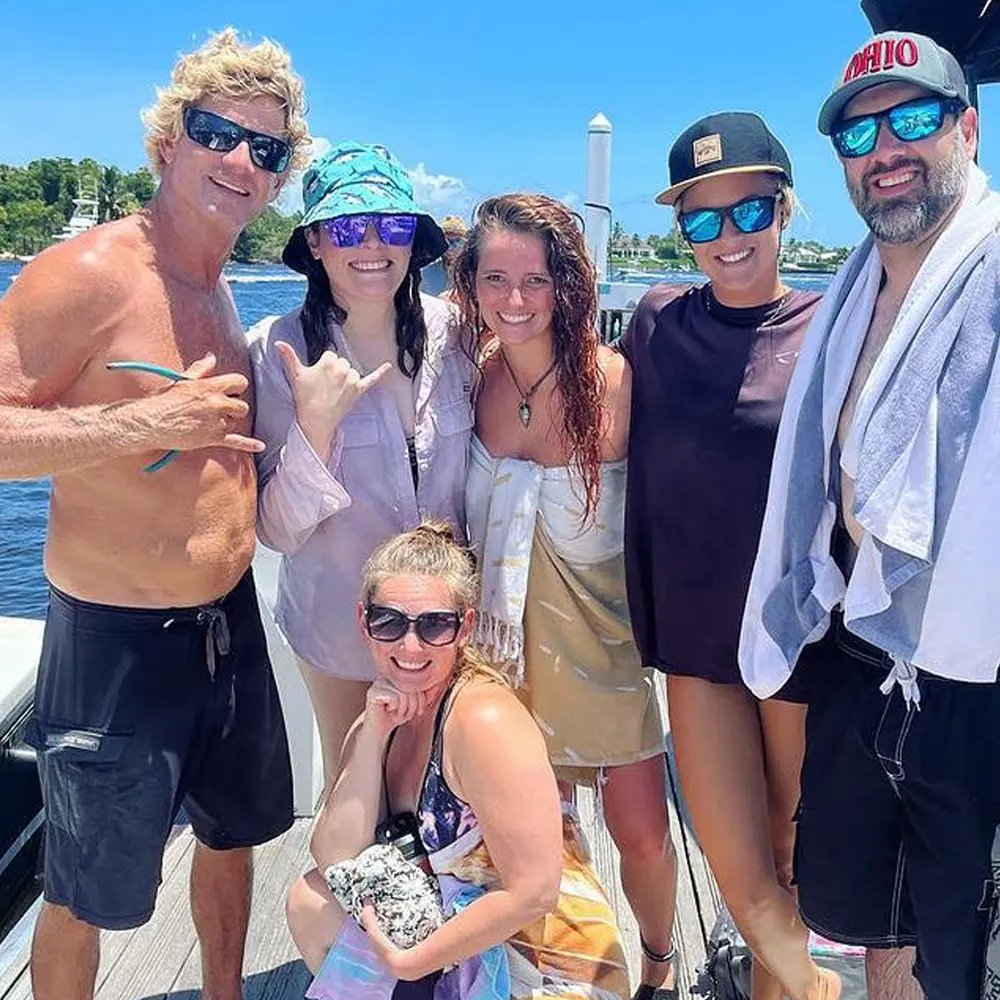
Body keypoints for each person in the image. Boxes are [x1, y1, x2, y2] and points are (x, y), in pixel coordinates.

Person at [0, 29, 309, 1000]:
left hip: (227, 626)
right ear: (169, 141)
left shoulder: (220, 286)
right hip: (115, 645)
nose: (240, 161)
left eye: (266, 149)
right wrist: (142, 419)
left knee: (231, 836)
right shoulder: (89, 273)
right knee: (86, 890)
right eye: (220, 133)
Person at [740, 32, 1000, 1000]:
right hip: (864, 642)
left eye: (916, 118)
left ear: (966, 128)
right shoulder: (851, 287)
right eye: (859, 131)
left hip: (975, 675)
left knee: (967, 940)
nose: (886, 146)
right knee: (874, 915)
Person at [620, 113, 838, 1000]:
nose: (728, 238)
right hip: (698, 644)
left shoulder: (835, 325)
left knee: (792, 873)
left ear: (785, 209)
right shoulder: (654, 322)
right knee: (745, 881)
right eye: (702, 222)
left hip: (801, 645)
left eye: (747, 211)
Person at [453, 193, 678, 1000]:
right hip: (500, 658)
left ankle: (659, 960)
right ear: (470, 284)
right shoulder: (471, 379)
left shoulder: (609, 380)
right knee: (531, 840)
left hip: (602, 638)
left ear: (567, 286)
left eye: (535, 280)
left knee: (643, 835)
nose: (515, 299)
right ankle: (539, 975)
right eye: (496, 278)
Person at [285, 521, 630, 999]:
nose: (410, 646)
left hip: (543, 963)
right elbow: (334, 860)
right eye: (389, 622)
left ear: (464, 628)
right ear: (364, 622)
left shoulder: (482, 720)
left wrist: (411, 963)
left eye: (434, 625)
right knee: (312, 902)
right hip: (457, 931)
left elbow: (534, 892)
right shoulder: (379, 717)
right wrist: (372, 738)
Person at [251, 141, 474, 786]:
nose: (372, 243)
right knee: (358, 796)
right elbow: (278, 531)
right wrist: (314, 431)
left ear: (414, 239)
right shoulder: (276, 351)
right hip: (340, 633)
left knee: (448, 799)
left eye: (392, 224)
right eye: (349, 225)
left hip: (446, 626)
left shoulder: (459, 334)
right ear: (317, 242)